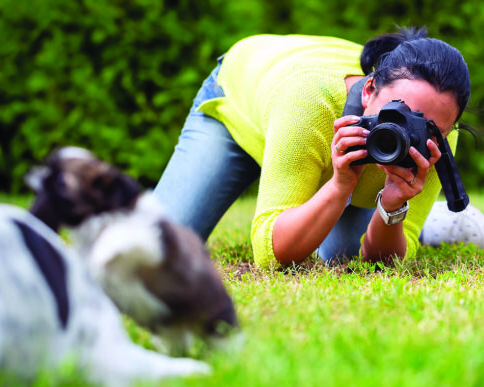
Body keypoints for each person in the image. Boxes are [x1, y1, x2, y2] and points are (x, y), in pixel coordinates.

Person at [154, 27, 471, 268]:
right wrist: (339, 185)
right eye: (396, 112)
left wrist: (392, 207)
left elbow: (385, 261)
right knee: (156, 245)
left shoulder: (436, 138)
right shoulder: (310, 100)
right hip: (246, 101)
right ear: (369, 89)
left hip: (306, 129)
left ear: (447, 126)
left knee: (342, 255)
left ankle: (430, 220)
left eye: (427, 127)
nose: (406, 131)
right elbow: (270, 254)